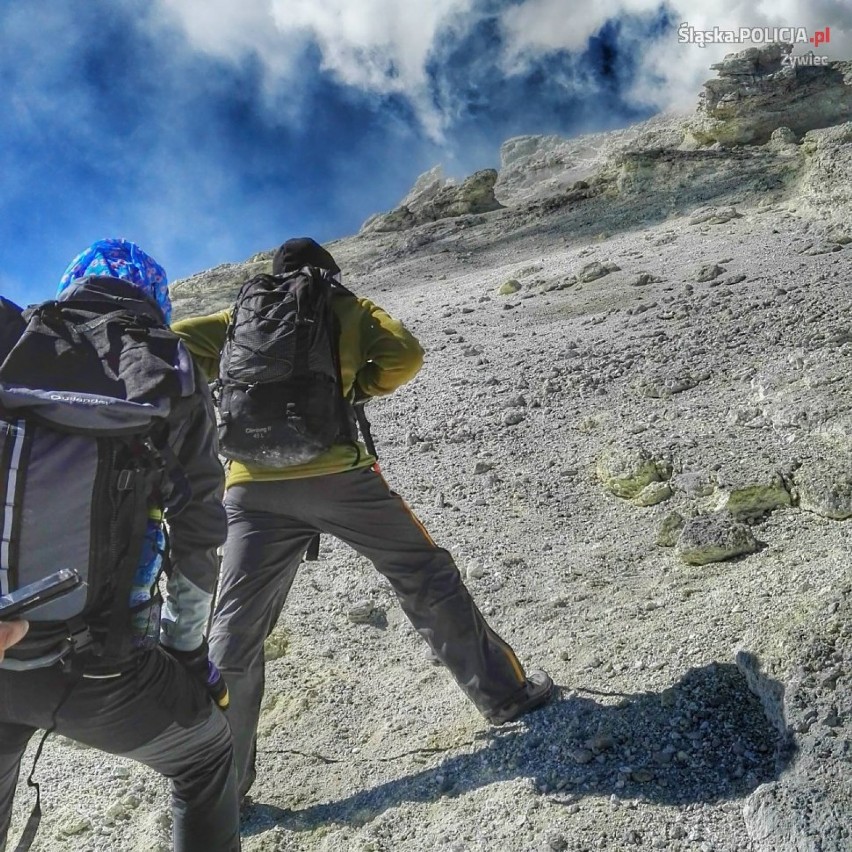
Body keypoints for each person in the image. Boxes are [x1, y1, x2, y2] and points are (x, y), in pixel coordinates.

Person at [172, 237, 555, 801]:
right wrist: (357, 388)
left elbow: (174, 344)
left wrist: (224, 388)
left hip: (251, 489)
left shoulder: (239, 316)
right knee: (424, 573)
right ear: (327, 271)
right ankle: (505, 695)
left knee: (236, 627)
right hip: (340, 477)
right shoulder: (342, 304)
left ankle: (220, 788)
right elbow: (407, 352)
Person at [0, 240, 240, 852]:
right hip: (97, 663)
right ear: (156, 300)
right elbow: (199, 534)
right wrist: (187, 658)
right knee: (206, 755)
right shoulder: (169, 369)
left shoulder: (15, 344)